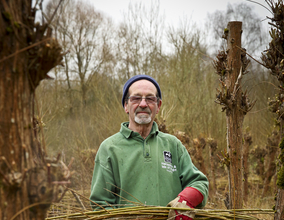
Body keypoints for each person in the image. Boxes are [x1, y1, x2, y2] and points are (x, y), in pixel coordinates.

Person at [89, 75, 209, 219]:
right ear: (126, 106)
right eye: (136, 98)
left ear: (158, 106)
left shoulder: (173, 145)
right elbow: (100, 205)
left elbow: (199, 183)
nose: (143, 104)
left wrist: (187, 200)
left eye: (150, 99)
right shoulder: (109, 148)